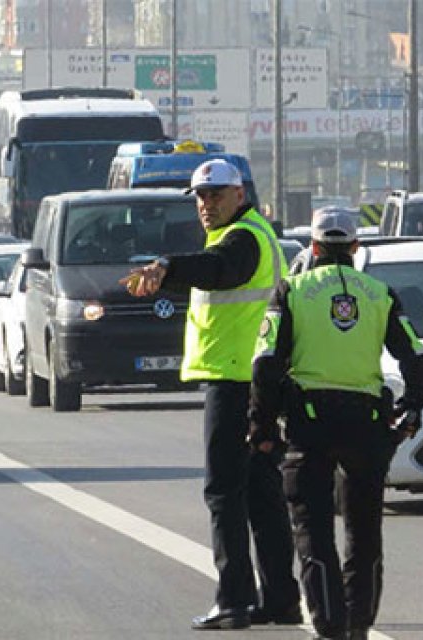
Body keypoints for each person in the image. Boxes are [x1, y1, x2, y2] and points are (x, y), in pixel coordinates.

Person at [120, 159, 300, 630]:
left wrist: (167, 266)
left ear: (239, 195)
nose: (205, 204)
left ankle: (235, 599)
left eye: (215, 194)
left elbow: (220, 270)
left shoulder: (243, 239)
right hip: (256, 380)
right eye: (200, 196)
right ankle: (281, 599)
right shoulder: (248, 234)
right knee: (261, 494)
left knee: (224, 492)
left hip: (236, 380)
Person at [248, 209, 423, 640]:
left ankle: (329, 625)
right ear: (355, 247)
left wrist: (262, 428)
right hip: (366, 422)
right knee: (364, 530)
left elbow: (266, 364)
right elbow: (417, 358)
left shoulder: (291, 290)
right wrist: (412, 407)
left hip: (309, 424)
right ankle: (359, 624)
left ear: (312, 248)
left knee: (312, 527)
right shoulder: (379, 293)